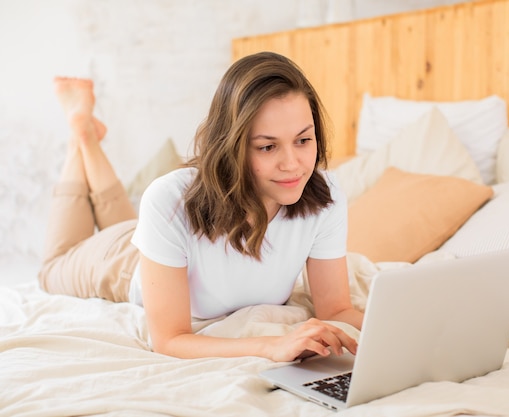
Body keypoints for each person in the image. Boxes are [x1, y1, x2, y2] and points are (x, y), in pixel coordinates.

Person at [39, 51, 363, 362]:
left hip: (160, 242)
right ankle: (80, 134)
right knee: (52, 268)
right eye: (267, 147)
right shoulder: (170, 199)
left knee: (127, 220)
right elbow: (169, 340)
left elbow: (335, 309)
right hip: (120, 264)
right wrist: (272, 346)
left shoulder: (325, 196)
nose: (292, 164)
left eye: (303, 140)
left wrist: (406, 328)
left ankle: (86, 137)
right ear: (231, 145)